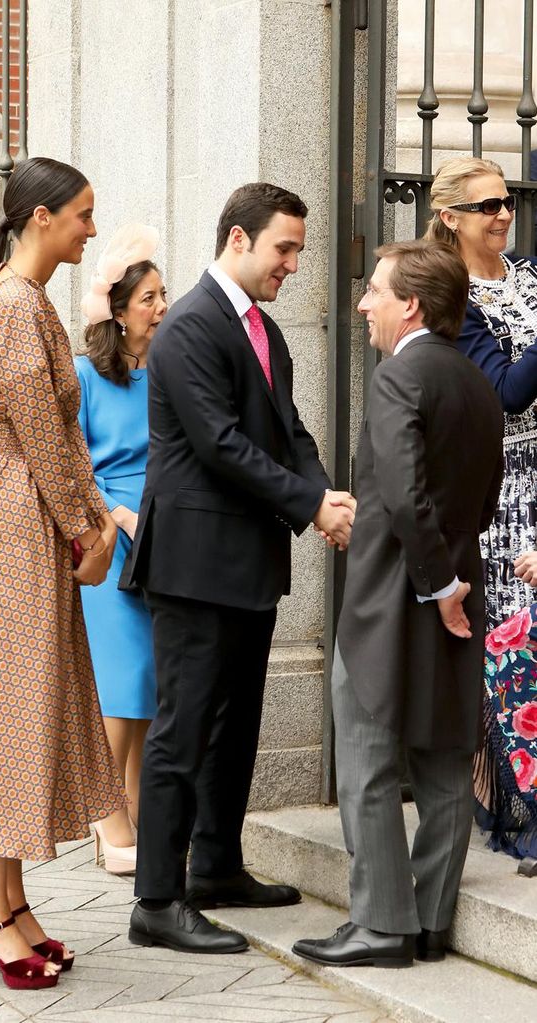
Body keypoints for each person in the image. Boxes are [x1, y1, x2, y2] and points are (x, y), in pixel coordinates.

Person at [123, 181, 356, 955]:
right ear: (236, 239)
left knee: (237, 726)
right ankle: (157, 898)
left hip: (248, 563)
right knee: (182, 730)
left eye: (297, 248)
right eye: (283, 247)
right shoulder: (190, 325)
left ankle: (216, 864)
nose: (293, 263)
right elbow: (221, 444)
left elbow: (287, 430)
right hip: (193, 565)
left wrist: (325, 494)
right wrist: (310, 506)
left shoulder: (265, 333)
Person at [0, 157, 126, 990]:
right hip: (20, 525)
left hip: (19, 520)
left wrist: (88, 519)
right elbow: (47, 443)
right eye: (83, 214)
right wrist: (90, 526)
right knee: (13, 718)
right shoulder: (17, 305)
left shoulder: (20, 300)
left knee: (20, 711)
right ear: (42, 217)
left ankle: (6, 903)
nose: (93, 227)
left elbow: (53, 439)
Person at [293, 240, 504, 969]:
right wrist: (451, 579)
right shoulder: (479, 383)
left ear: (411, 303)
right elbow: (485, 499)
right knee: (446, 759)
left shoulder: (396, 376)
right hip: (456, 593)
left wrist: (436, 584)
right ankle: (431, 922)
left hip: (393, 600)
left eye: (374, 291)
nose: (363, 304)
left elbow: (407, 492)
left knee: (368, 762)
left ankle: (382, 926)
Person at [426, 156, 537, 857]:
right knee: (512, 649)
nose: (502, 214)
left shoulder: (530, 276)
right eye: (486, 205)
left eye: (506, 202)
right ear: (450, 218)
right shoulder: (452, 297)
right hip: (502, 489)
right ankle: (506, 806)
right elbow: (505, 392)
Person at [77, 223, 168, 874]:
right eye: (149, 299)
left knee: (148, 684)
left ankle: (131, 806)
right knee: (123, 677)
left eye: (164, 296)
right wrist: (117, 514)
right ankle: (104, 816)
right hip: (112, 537)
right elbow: (71, 466)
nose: (162, 309)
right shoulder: (83, 376)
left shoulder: (164, 372)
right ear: (117, 311)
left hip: (162, 533)